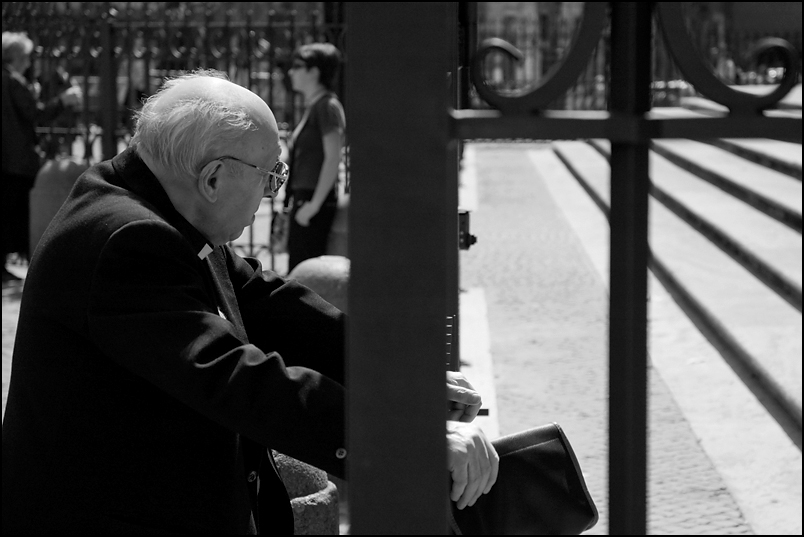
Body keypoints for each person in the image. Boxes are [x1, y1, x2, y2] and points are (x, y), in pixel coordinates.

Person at [1, 70, 497, 534]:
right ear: (213, 177)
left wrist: (403, 378)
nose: (272, 191)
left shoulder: (158, 204)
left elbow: (268, 303)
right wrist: (404, 435)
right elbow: (235, 377)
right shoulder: (127, 238)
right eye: (270, 174)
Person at [1, 31, 81, 282]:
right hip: (16, 159)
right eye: (26, 57)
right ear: (16, 57)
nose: (29, 63)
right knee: (14, 212)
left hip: (8, 158)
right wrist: (63, 100)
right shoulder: (13, 81)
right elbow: (36, 114)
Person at [285, 42, 345, 273]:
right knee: (300, 272)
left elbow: (333, 157)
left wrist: (313, 206)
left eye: (298, 66)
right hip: (305, 199)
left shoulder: (327, 106)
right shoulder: (316, 106)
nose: (291, 72)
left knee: (306, 274)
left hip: (313, 202)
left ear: (315, 71)